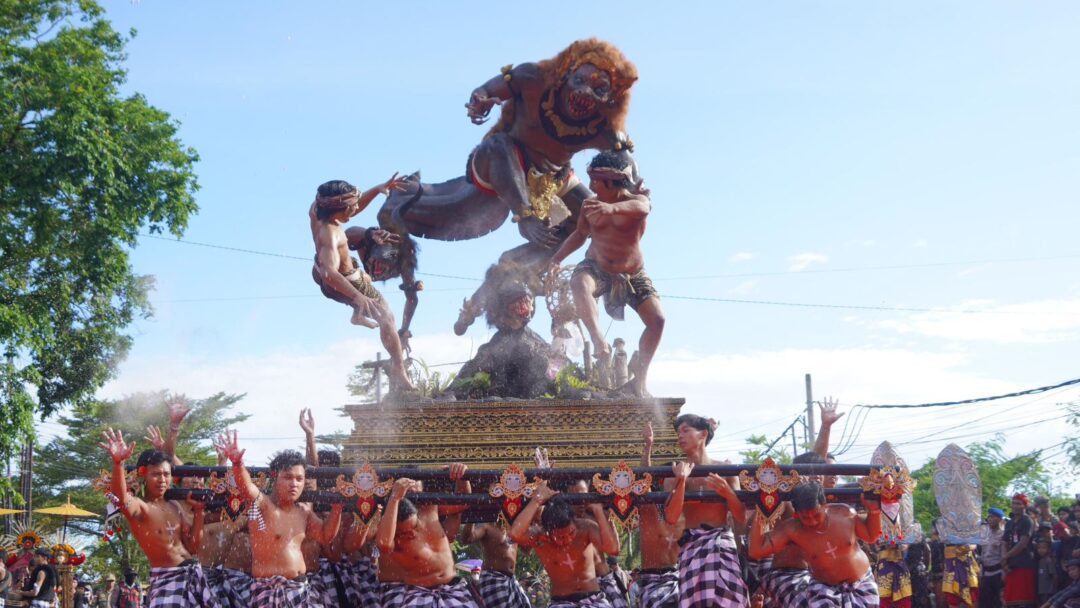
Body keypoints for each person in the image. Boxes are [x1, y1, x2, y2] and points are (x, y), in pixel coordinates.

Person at [549, 150, 661, 397]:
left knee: (658, 321)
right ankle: (600, 342)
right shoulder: (590, 205)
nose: (590, 186)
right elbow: (580, 234)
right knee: (579, 283)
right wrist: (557, 258)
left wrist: (612, 210)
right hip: (596, 267)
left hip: (632, 273)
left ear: (613, 181)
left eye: (596, 181)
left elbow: (641, 208)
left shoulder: (637, 201)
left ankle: (639, 377)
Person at [309, 177, 416, 393]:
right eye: (352, 207)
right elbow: (330, 272)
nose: (356, 209)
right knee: (387, 317)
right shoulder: (330, 234)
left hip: (321, 270)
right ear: (339, 208)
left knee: (362, 266)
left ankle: (358, 312)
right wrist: (359, 297)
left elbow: (349, 210)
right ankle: (398, 368)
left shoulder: (317, 211)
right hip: (339, 279)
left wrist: (377, 190)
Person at [214, 431, 344, 607]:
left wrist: (337, 511)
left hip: (300, 589)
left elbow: (325, 536)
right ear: (275, 476)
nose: (294, 484)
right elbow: (246, 487)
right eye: (288, 477)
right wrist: (237, 463)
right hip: (268, 591)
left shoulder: (304, 511)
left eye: (299, 479)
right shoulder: (263, 505)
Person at [98, 429, 215, 607]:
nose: (162, 480)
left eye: (166, 474)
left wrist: (199, 513)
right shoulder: (141, 508)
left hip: (194, 575)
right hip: (167, 580)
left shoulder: (175, 506)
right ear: (144, 475)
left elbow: (193, 546)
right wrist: (118, 463)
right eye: (156, 474)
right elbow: (121, 498)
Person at [749, 481, 882, 608]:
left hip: (862, 583)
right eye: (805, 518)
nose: (812, 521)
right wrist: (761, 511)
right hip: (824, 590)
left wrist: (874, 511)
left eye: (817, 515)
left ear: (825, 505)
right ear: (797, 514)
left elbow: (871, 536)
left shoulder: (844, 514)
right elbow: (756, 551)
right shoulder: (792, 530)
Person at [664, 414, 749, 608]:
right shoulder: (673, 474)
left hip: (721, 545)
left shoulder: (725, 470)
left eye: (685, 431)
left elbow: (741, 516)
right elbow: (671, 516)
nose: (680, 436)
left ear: (703, 434)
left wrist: (727, 493)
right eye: (678, 432)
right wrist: (682, 481)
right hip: (692, 546)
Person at [375, 465, 477, 607]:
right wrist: (394, 497)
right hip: (419, 593)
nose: (412, 485)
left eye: (415, 480)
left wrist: (461, 477)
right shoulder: (391, 522)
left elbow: (464, 502)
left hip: (454, 589)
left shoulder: (431, 507)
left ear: (423, 485)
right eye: (407, 482)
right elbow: (384, 544)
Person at [509, 482, 622, 608]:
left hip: (594, 599)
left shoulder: (586, 527)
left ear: (575, 522)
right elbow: (515, 534)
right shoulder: (540, 537)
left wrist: (598, 510)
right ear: (548, 532)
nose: (567, 540)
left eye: (571, 533)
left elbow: (613, 549)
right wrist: (536, 500)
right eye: (560, 537)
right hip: (561, 603)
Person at [637, 422, 682, 608]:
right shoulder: (649, 508)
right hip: (652, 580)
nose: (674, 487)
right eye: (671, 482)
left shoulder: (684, 510)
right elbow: (643, 479)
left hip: (678, 577)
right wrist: (648, 445)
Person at [458, 518, 532, 608]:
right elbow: (467, 539)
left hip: (511, 580)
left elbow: (527, 550)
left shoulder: (515, 526)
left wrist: (531, 527)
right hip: (493, 579)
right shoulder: (487, 526)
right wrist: (471, 517)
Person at [1005, 494, 1038, 608]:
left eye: (1018, 503)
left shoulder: (1027, 521)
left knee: (1024, 600)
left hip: (1024, 563)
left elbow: (1023, 543)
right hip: (1010, 565)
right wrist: (1004, 561)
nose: (1015, 506)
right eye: (1013, 503)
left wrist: (1005, 557)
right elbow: (1004, 542)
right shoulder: (1009, 522)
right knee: (1011, 601)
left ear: (1025, 506)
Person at [981, 508, 1008, 608]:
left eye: (993, 517)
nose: (990, 519)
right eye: (989, 517)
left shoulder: (1003, 534)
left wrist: (1004, 575)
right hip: (986, 573)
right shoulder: (984, 534)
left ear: (1000, 519)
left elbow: (1004, 556)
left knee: (997, 603)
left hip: (998, 572)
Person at [1038, 541, 1058, 606]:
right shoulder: (1040, 561)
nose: (1041, 550)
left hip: (1048, 591)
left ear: (1048, 549)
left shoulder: (1049, 560)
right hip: (1041, 591)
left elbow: (1054, 576)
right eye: (1039, 548)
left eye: (1043, 548)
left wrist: (1054, 589)